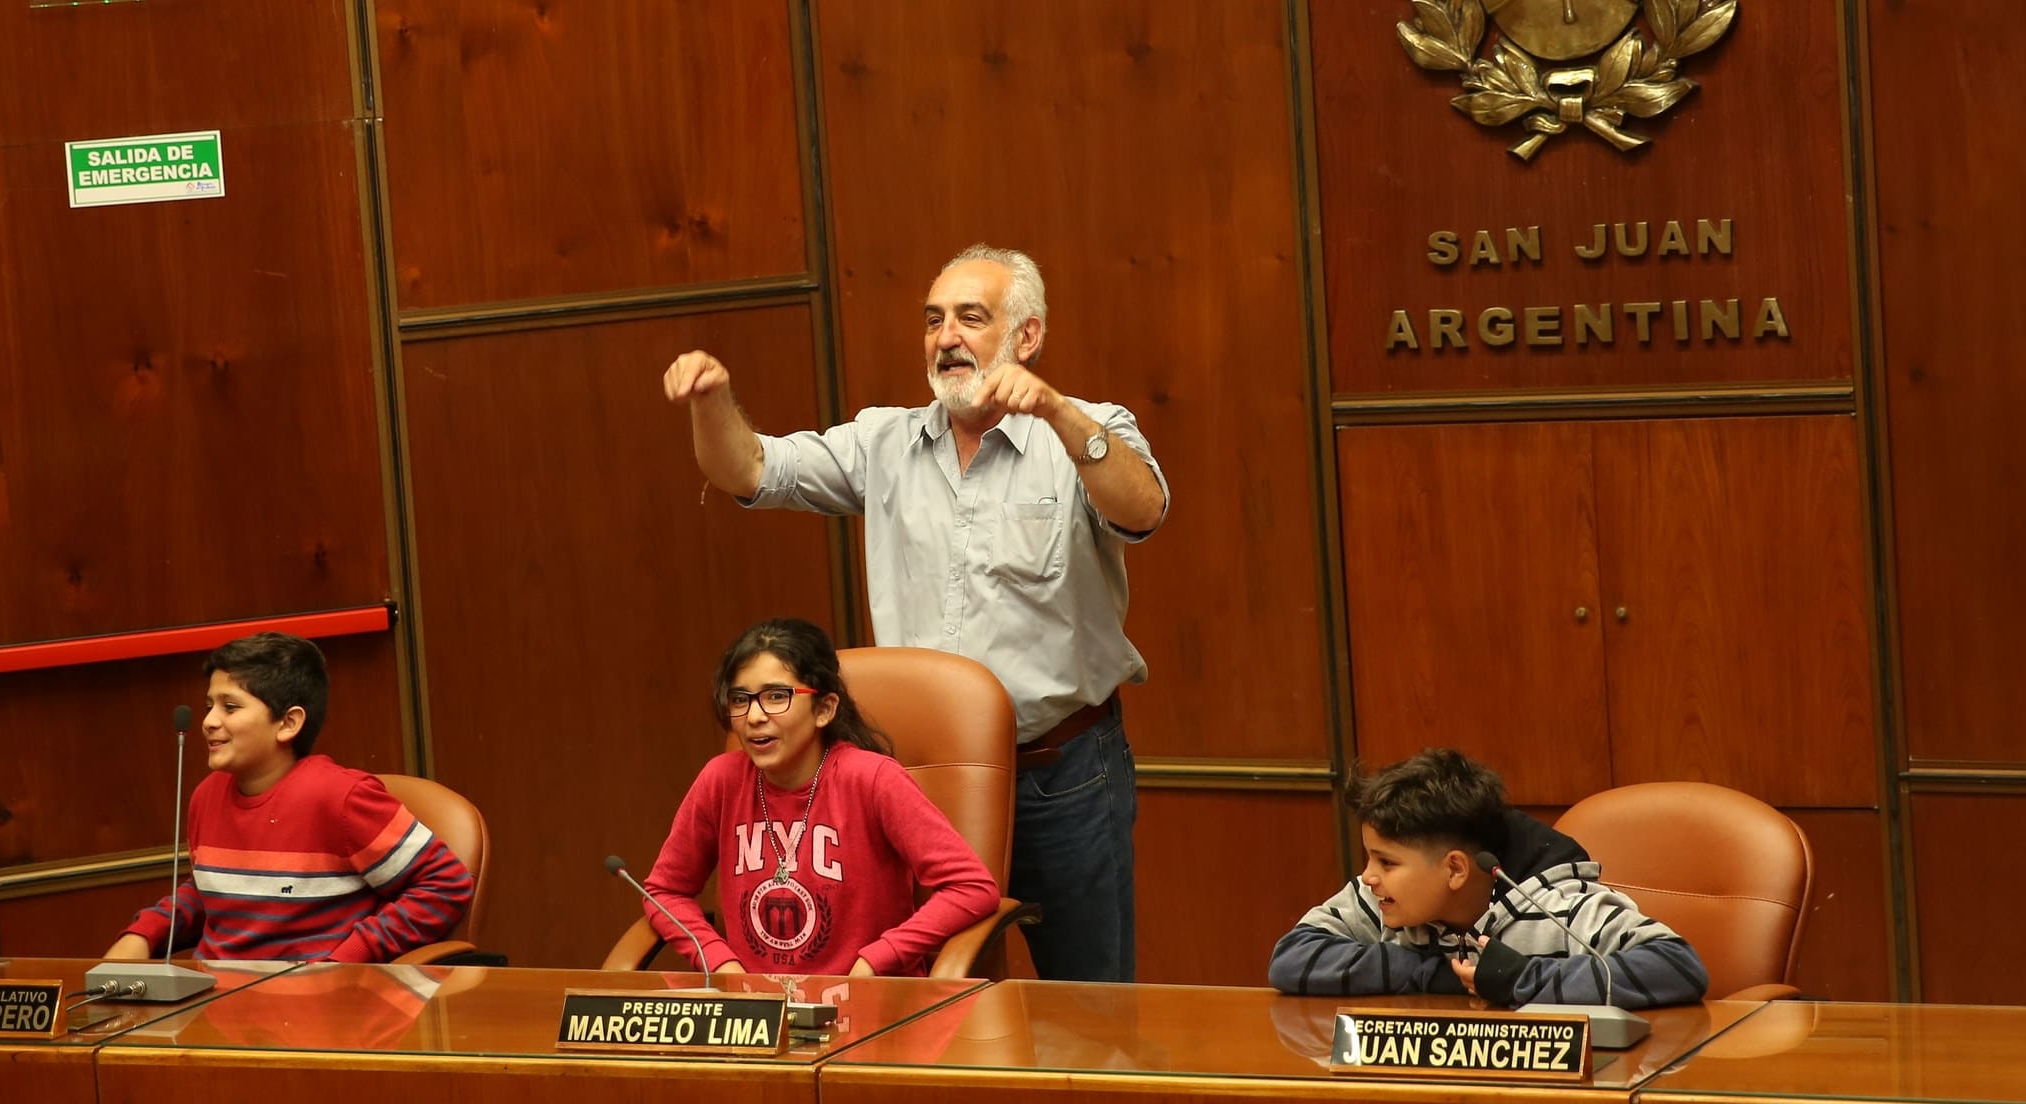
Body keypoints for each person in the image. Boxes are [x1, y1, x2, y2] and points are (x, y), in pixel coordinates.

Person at [661, 244, 1167, 983]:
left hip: (1061, 774)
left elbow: (1145, 510)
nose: (946, 337)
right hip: (920, 782)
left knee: (1090, 1007)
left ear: (1026, 337)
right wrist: (711, 400)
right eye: (933, 320)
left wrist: (1060, 412)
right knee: (926, 1008)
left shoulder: (1087, 427)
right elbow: (748, 469)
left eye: (970, 317)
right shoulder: (885, 442)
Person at [640, 618, 999, 976]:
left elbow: (972, 888)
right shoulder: (720, 780)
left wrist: (876, 960)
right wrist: (720, 962)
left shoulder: (874, 779)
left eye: (776, 697)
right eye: (740, 700)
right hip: (761, 1018)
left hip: (870, 1006)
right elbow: (664, 892)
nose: (754, 716)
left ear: (825, 709)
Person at [103, 632, 474, 964]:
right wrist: (144, 933)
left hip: (317, 1013)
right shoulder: (207, 795)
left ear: (288, 723)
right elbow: (214, 895)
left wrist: (346, 959)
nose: (208, 721)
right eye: (208, 706)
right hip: (217, 1007)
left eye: (230, 707)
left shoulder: (341, 798)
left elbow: (444, 885)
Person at [1269, 748, 1707, 1009]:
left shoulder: (1558, 904)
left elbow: (1677, 967)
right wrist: (1428, 973)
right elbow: (1291, 959)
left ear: (1456, 869)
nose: (1368, 877)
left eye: (1387, 862)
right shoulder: (1382, 902)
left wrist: (1522, 979)